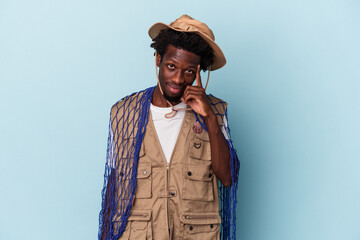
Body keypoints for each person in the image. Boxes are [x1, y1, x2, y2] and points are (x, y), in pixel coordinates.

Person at [98, 15, 240, 240]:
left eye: (189, 71)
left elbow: (227, 177)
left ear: (200, 73)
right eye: (171, 66)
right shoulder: (124, 112)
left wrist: (209, 118)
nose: (177, 79)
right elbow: (114, 187)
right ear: (158, 59)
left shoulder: (217, 112)